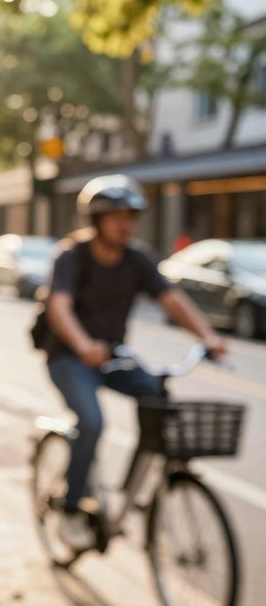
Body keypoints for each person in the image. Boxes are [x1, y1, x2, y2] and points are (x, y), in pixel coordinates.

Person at [45, 175, 226, 550]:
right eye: (116, 216)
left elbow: (171, 299)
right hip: (70, 358)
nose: (125, 223)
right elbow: (58, 306)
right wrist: (82, 344)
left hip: (113, 358)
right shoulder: (72, 256)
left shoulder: (137, 259)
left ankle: (135, 487)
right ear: (96, 220)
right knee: (92, 423)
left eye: (130, 215)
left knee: (159, 398)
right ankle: (71, 507)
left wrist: (206, 335)